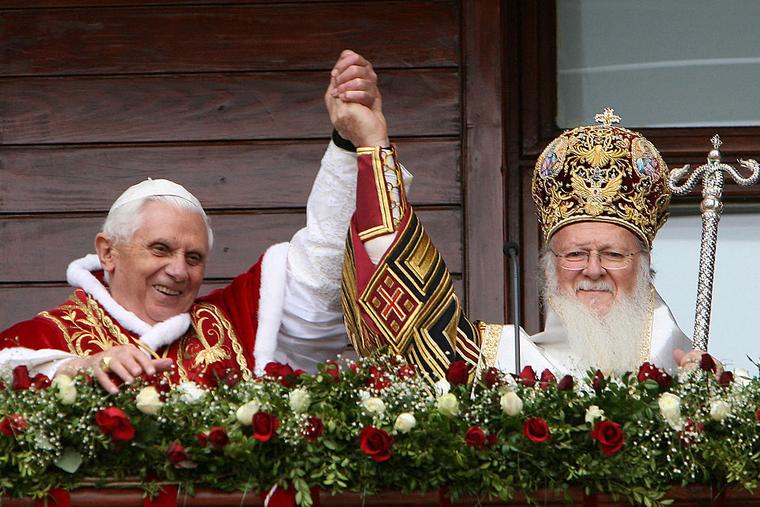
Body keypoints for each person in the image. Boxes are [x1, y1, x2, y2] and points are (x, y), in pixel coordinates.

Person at [0, 50, 385, 393]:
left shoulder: (234, 323)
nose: (179, 271)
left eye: (194, 257)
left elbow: (321, 273)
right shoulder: (45, 337)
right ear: (108, 252)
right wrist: (76, 368)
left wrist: (352, 142)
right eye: (160, 249)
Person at [341, 107, 702, 382]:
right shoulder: (503, 364)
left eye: (613, 254)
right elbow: (412, 334)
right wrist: (373, 146)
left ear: (644, 263)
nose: (593, 270)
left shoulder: (692, 375)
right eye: (575, 254)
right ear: (549, 268)